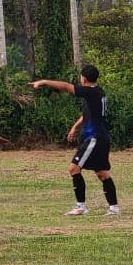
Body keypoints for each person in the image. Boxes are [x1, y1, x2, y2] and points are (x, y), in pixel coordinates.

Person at [32, 64, 120, 216]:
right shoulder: (98, 92)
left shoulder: (90, 91)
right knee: (102, 173)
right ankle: (114, 208)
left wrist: (44, 81)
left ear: (84, 79)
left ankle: (81, 207)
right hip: (101, 137)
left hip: (94, 137)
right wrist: (75, 127)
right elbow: (89, 114)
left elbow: (66, 87)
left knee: (74, 168)